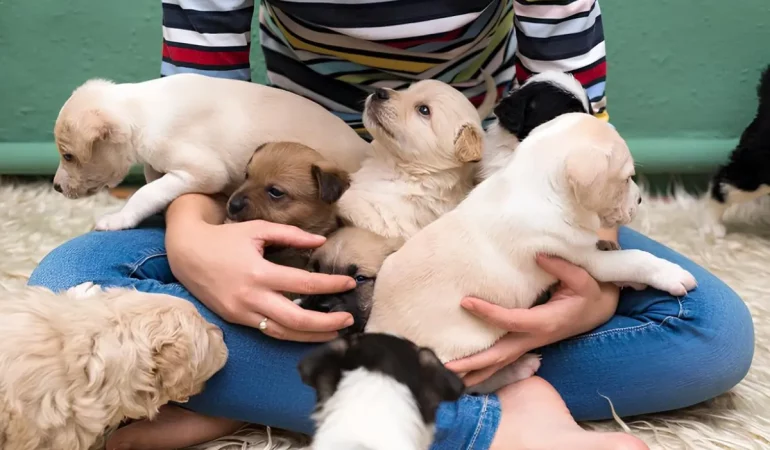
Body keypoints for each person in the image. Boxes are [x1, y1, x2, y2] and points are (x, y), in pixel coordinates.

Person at [29, 0, 754, 449]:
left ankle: (257, 389)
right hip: (290, 185)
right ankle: (485, 414)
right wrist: (196, 246)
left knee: (712, 334)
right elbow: (195, 103)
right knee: (64, 280)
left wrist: (586, 285)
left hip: (485, 200)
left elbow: (578, 134)